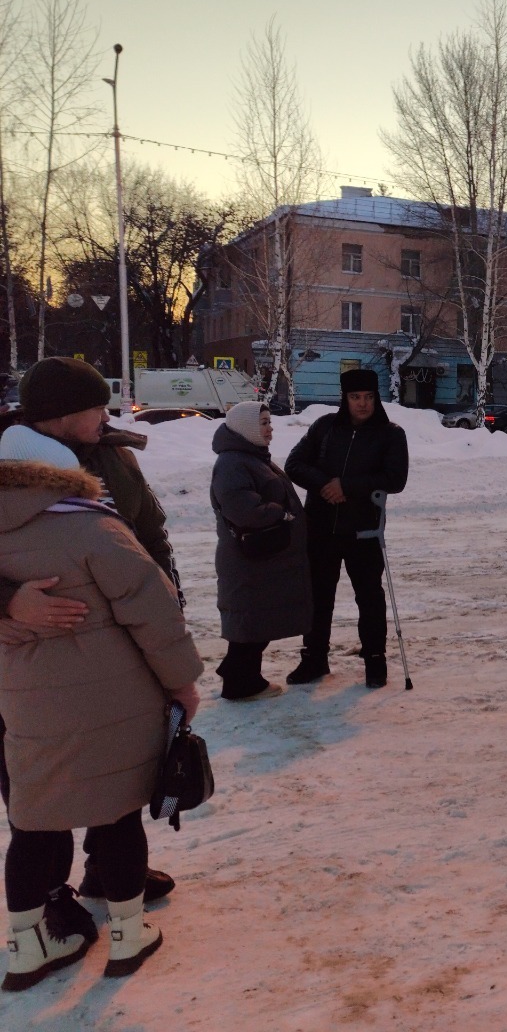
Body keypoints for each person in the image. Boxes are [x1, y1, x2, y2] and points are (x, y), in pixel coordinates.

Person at [0, 424, 203, 987]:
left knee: (33, 823)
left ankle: (24, 946)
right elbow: (154, 614)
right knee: (116, 814)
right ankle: (127, 934)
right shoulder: (94, 528)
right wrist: (183, 682)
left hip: (26, 711)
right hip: (113, 703)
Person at [0, 357, 180, 906]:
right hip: (27, 662)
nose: (109, 412)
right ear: (62, 413)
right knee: (42, 778)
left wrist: (167, 600)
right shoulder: (6, 460)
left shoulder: (114, 454)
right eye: (98, 404)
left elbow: (148, 532)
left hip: (113, 647)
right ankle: (49, 894)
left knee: (118, 758)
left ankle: (112, 869)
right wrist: (7, 602)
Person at [284, 369, 409, 689]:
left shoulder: (390, 433)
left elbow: (395, 479)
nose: (363, 404)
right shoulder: (325, 428)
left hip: (364, 531)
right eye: (355, 397)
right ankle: (314, 658)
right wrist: (325, 484)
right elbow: (294, 464)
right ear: (345, 398)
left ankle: (375, 661)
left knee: (369, 598)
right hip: (321, 529)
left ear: (376, 398)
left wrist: (348, 487)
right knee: (318, 597)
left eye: (368, 397)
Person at [211, 402, 313, 701]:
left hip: (261, 558)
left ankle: (236, 671)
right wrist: (279, 513)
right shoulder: (233, 463)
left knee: (256, 620)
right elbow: (243, 509)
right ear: (246, 428)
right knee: (252, 622)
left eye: (269, 422)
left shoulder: (251, 457)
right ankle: (241, 685)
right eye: (264, 423)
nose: (270, 429)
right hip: (249, 559)